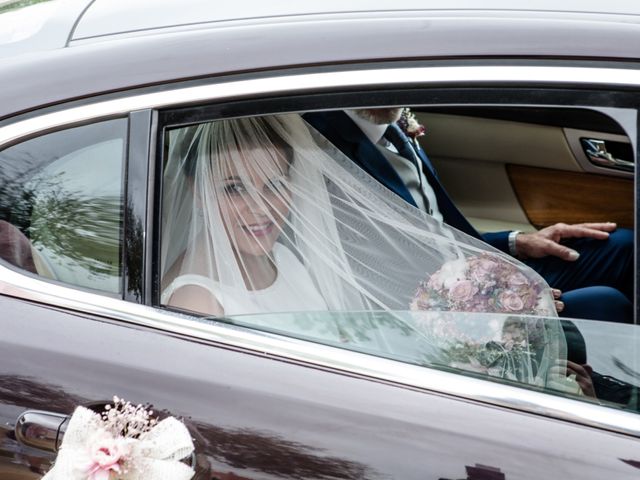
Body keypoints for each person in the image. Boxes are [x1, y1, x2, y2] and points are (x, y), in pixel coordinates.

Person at [160, 113, 574, 388]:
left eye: (274, 184)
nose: (261, 207)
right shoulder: (197, 303)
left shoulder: (286, 260)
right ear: (197, 192)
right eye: (234, 188)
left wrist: (466, 363)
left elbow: (350, 346)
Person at [303, 108, 633, 323]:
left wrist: (518, 242)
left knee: (623, 247)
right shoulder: (321, 147)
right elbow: (374, 275)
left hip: (468, 263)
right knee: (605, 303)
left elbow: (435, 228)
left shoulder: (391, 119)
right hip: (434, 307)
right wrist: (502, 298)